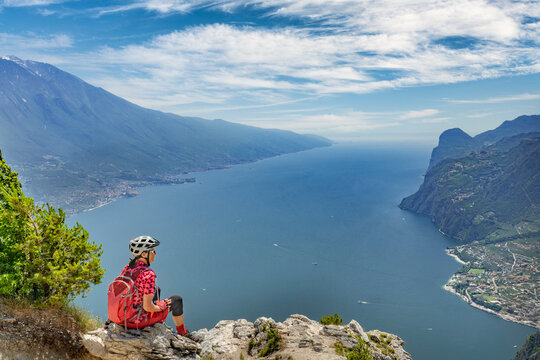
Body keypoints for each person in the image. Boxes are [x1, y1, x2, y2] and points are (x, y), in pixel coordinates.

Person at [119, 235, 188, 335]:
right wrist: (162, 306)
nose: (155, 253)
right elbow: (148, 307)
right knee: (177, 300)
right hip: (137, 321)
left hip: (123, 317)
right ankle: (183, 333)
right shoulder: (148, 274)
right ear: (143, 254)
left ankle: (159, 319)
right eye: (152, 250)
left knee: (156, 289)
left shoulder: (127, 270)